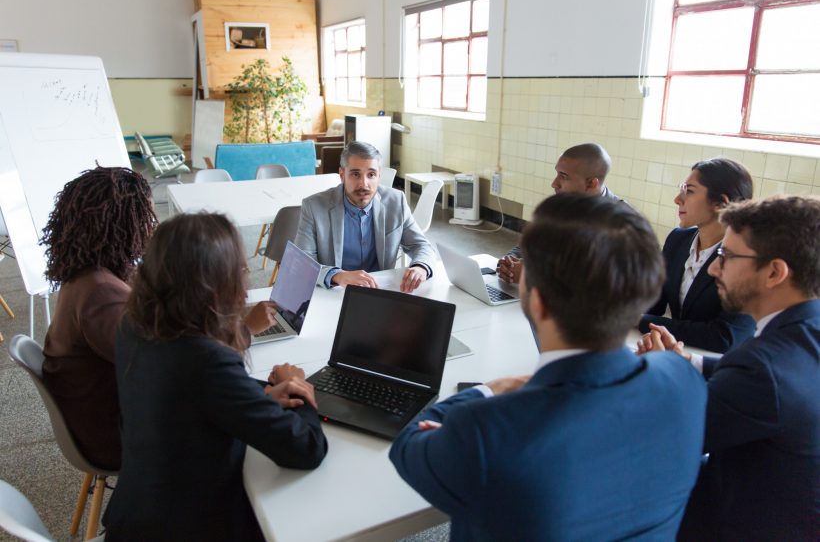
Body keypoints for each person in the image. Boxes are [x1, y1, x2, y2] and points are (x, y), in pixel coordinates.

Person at [390, 194, 707, 541]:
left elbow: (408, 446)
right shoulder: (683, 379)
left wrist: (488, 390)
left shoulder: (487, 428)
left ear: (538, 301)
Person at [104, 213, 328, 541]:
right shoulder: (207, 362)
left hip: (137, 513)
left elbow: (195, 398)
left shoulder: (135, 325)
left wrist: (261, 395)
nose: (246, 274)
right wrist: (301, 391)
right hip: (192, 526)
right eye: (238, 268)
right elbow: (306, 448)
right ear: (210, 283)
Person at [638, 195, 820, 541]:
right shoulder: (804, 332)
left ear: (774, 272)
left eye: (727, 256)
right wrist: (688, 361)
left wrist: (658, 373)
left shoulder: (762, 367)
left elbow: (668, 435)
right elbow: (760, 382)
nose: (712, 268)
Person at [40, 166, 157, 471]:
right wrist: (241, 330)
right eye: (145, 218)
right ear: (123, 224)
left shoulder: (90, 272)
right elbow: (162, 363)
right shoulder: (101, 294)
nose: (150, 227)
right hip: (113, 437)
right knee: (231, 412)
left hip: (102, 413)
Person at [639, 158, 756, 352]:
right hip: (677, 352)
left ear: (720, 203)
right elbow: (653, 301)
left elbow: (725, 337)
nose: (677, 199)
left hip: (718, 367)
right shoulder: (678, 240)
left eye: (689, 191)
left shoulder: (747, 257)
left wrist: (640, 320)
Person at [295, 140, 435, 293]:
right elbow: (302, 263)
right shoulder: (313, 206)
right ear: (342, 175)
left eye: (371, 175)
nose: (364, 184)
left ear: (379, 176)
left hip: (380, 292)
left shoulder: (396, 201)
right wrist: (339, 276)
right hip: (334, 292)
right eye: (355, 174)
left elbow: (421, 245)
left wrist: (420, 267)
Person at [497, 142, 615, 283]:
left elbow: (603, 281)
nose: (554, 183)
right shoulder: (560, 206)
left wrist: (535, 275)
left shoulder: (620, 223)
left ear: (591, 184)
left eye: (564, 176)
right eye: (557, 173)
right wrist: (508, 263)